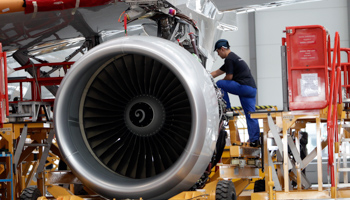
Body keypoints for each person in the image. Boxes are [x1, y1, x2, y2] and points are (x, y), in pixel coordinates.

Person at [211, 39, 260, 147]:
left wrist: (221, 82)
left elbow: (229, 77)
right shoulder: (234, 58)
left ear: (222, 49)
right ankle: (255, 140)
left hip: (244, 87)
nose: (218, 54)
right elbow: (216, 73)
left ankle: (226, 108)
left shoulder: (229, 59)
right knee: (250, 115)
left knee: (219, 83)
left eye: (218, 52)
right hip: (251, 90)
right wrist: (203, 75)